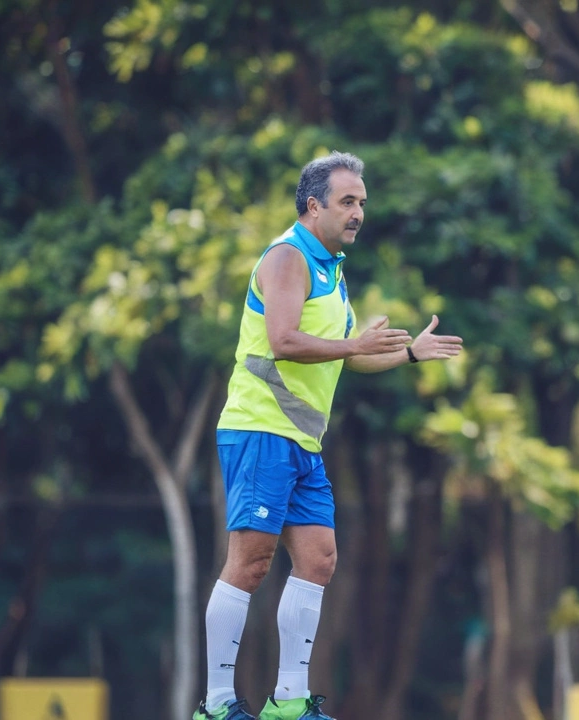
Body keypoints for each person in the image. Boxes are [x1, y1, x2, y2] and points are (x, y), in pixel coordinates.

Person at [194, 151, 464, 720]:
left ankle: (288, 702)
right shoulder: (289, 257)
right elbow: (285, 341)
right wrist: (355, 345)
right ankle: (217, 704)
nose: (358, 212)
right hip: (259, 429)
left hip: (301, 442)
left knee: (318, 559)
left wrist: (407, 355)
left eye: (362, 202)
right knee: (250, 563)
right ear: (313, 205)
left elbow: (343, 360)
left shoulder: (331, 268)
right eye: (348, 201)